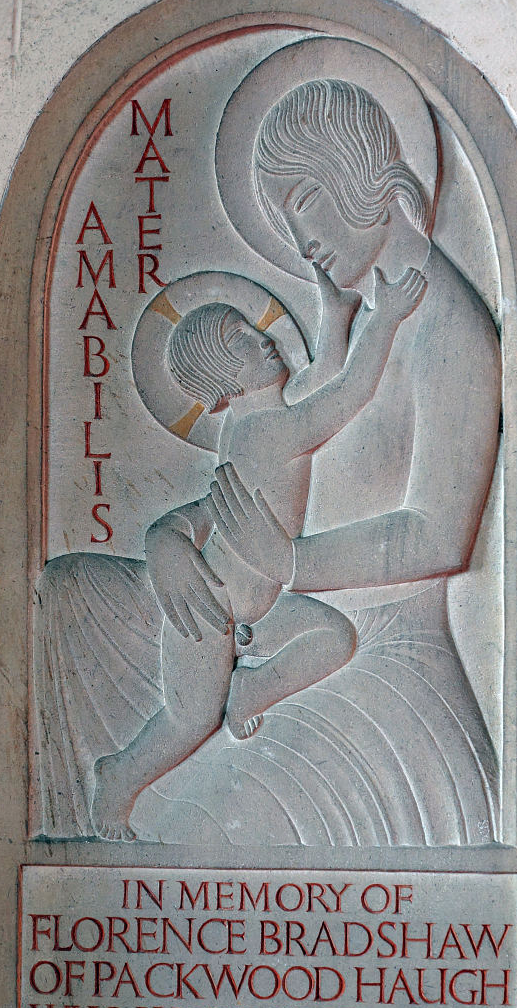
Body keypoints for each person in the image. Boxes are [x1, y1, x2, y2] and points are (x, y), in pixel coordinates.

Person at [91, 270, 426, 840]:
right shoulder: (264, 434)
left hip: (258, 603)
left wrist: (335, 315)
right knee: (189, 718)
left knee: (335, 638)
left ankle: (250, 688)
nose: (259, 336)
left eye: (249, 327)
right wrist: (387, 317)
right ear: (225, 384)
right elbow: (346, 394)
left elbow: (320, 382)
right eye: (239, 341)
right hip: (209, 608)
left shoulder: (261, 424)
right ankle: (117, 781)